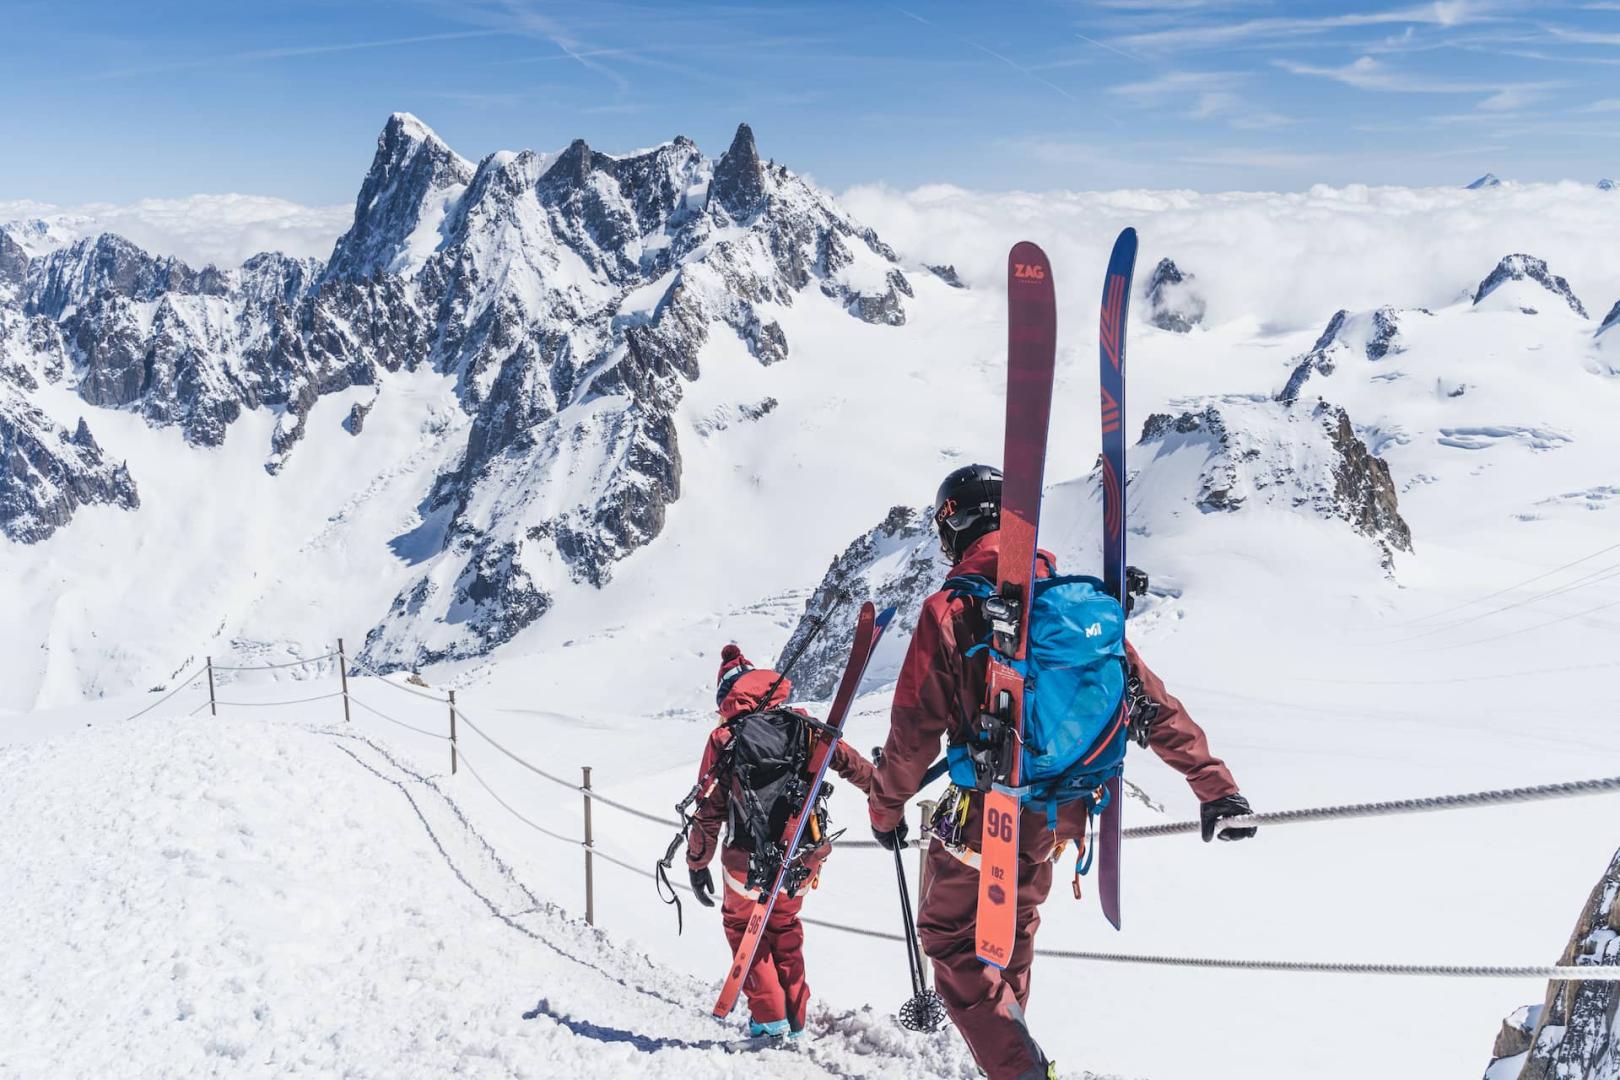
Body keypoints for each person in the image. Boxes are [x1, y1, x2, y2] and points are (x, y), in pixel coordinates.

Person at [867, 464, 1256, 1080]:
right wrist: (1215, 786)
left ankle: (1020, 1071)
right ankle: (1016, 1061)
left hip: (980, 822)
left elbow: (912, 734)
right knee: (1010, 936)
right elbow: (1146, 701)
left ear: (955, 525)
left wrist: (885, 810)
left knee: (949, 939)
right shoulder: (1075, 609)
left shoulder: (952, 608)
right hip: (1053, 823)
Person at [686, 643, 875, 1038]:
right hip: (801, 855)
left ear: (729, 698)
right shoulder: (805, 726)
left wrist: (696, 863)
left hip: (745, 862)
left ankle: (769, 1018)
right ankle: (796, 1019)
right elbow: (853, 765)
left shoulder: (725, 739)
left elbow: (709, 808)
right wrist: (887, 794)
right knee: (784, 926)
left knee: (743, 928)